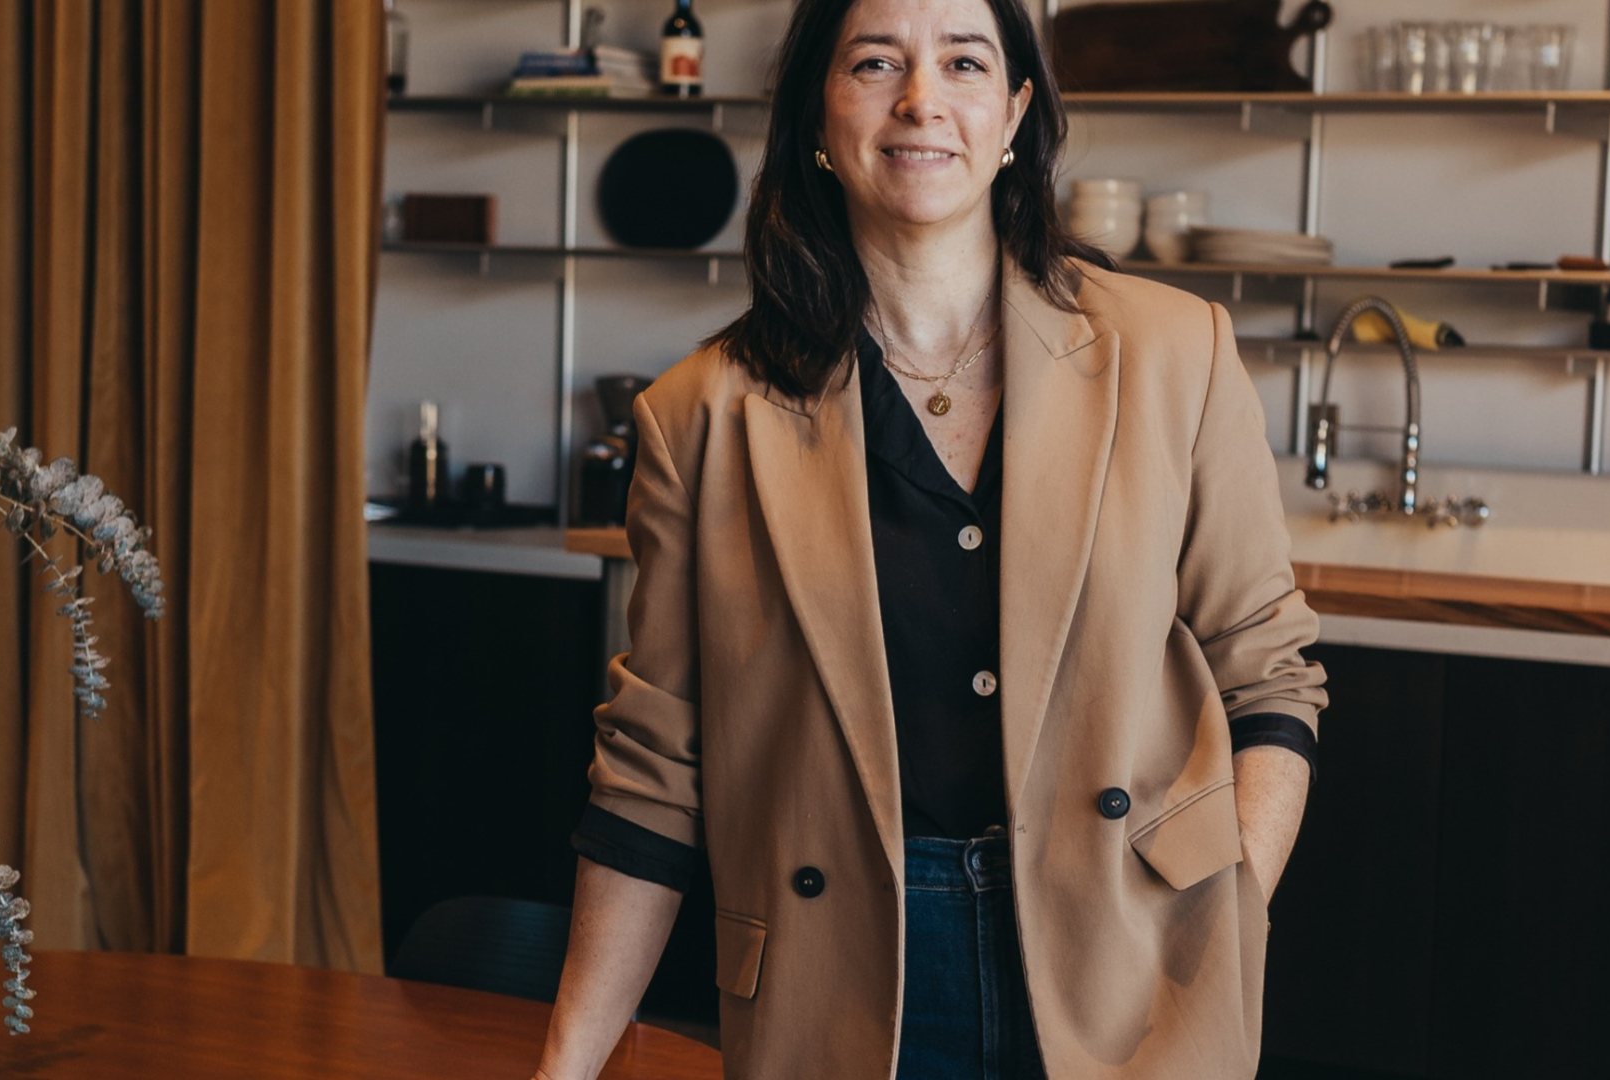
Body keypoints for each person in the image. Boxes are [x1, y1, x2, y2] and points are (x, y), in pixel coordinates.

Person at [532, 0, 1326, 1077]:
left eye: (963, 61)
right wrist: (565, 1067)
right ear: (819, 114)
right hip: (844, 976)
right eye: (874, 62)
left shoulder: (1176, 351)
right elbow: (651, 775)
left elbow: (1268, 674)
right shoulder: (700, 416)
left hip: (1131, 961)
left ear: (1014, 116)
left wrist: (1225, 906)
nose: (921, 101)